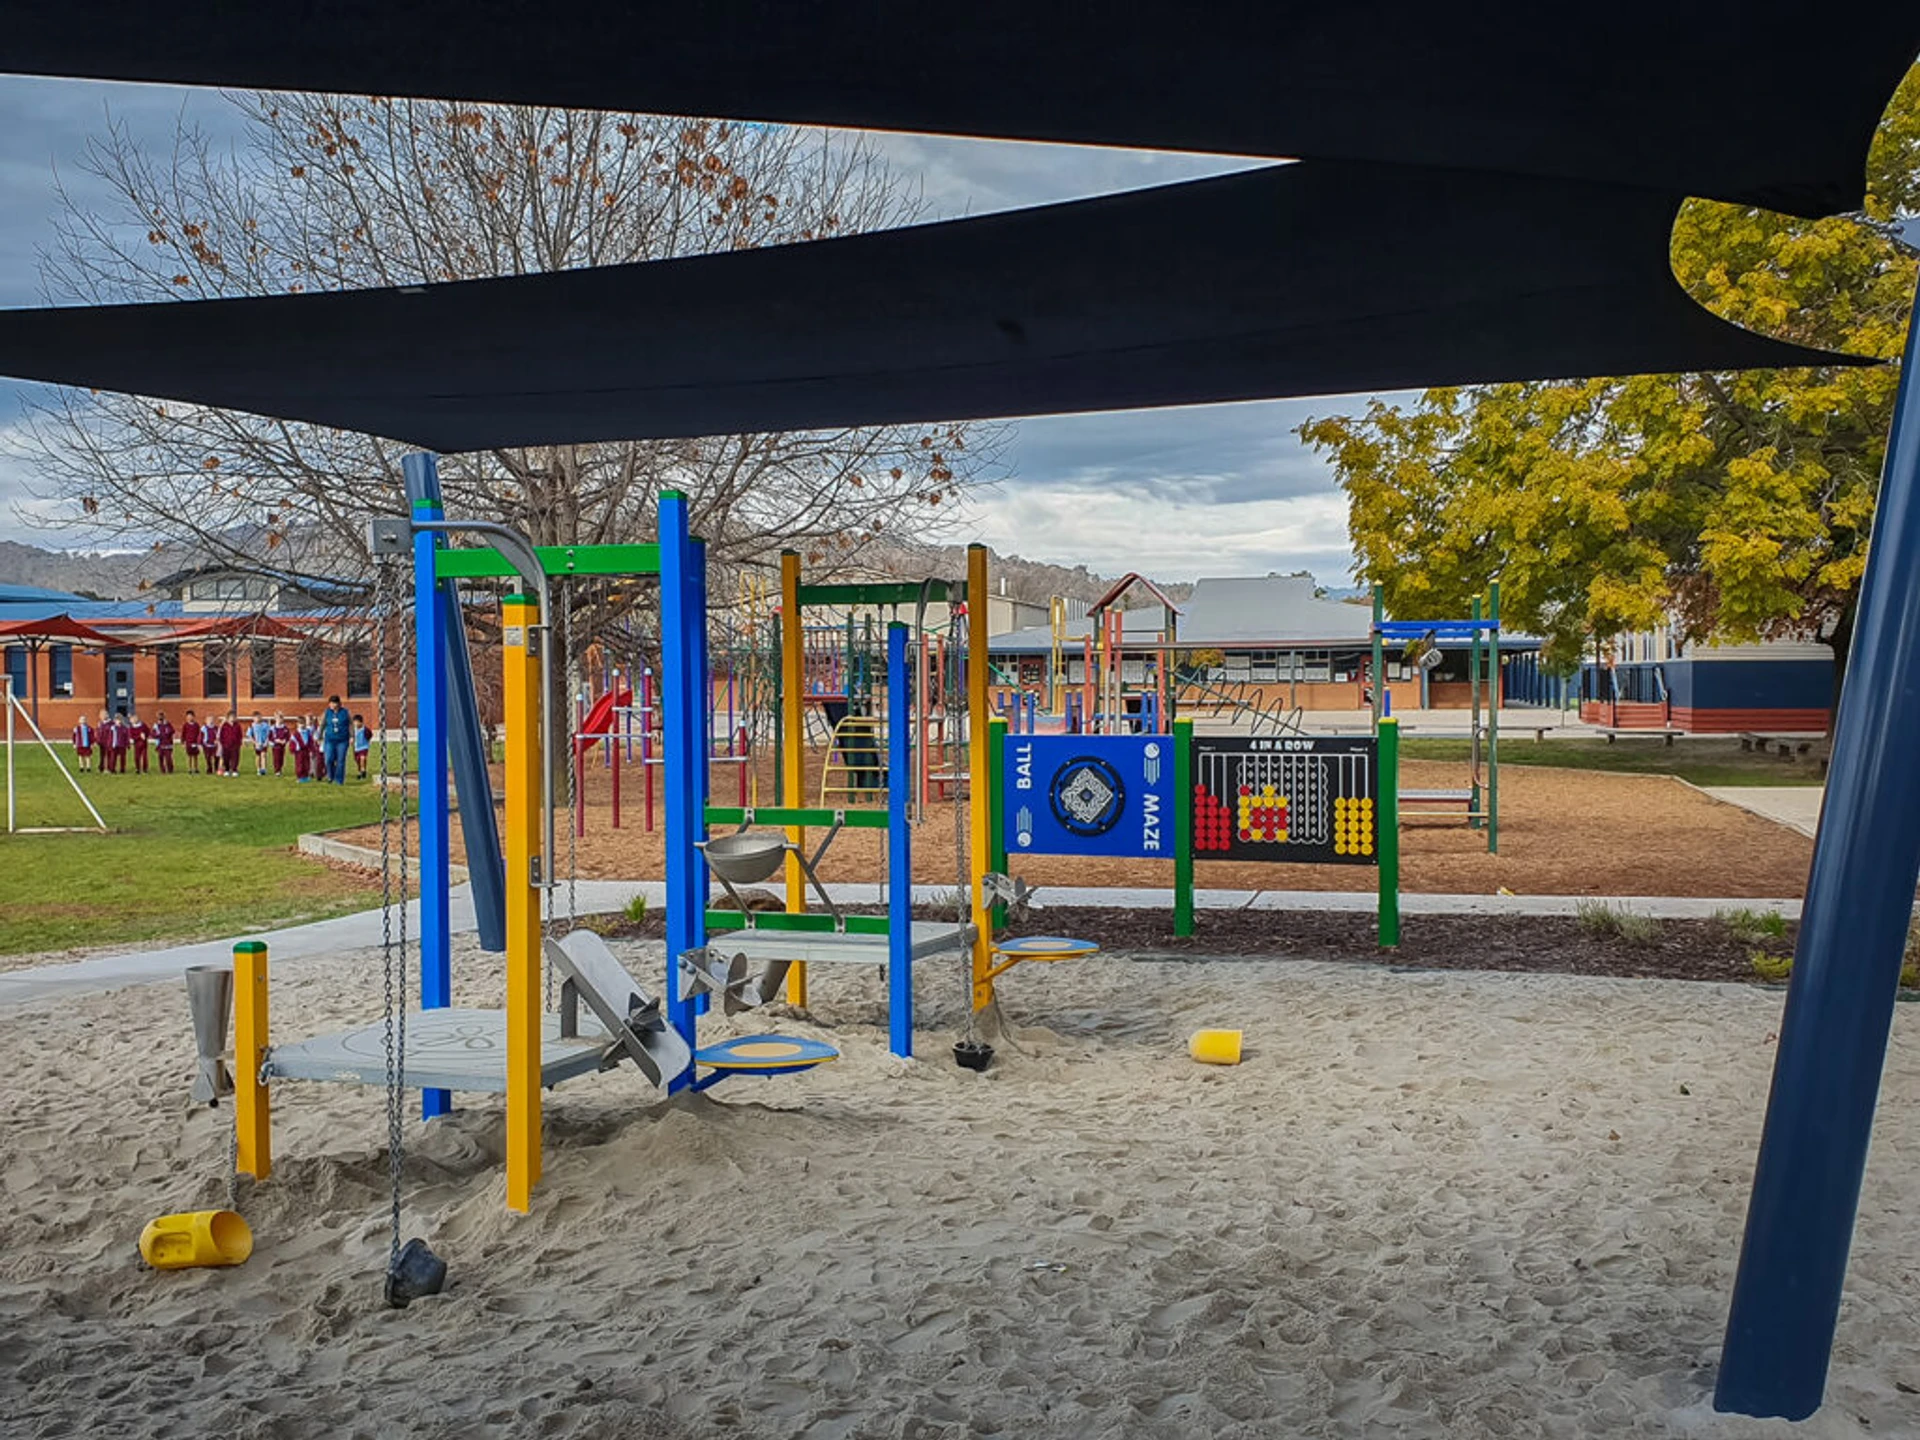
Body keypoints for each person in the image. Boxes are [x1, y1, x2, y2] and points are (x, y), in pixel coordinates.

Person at [319, 695, 352, 786]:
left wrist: (352, 736)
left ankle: (339, 780)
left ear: (339, 703)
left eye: (334, 703)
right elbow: (322, 725)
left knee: (340, 760)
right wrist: (319, 736)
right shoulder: (327, 712)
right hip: (330, 740)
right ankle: (330, 775)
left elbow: (350, 724)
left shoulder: (345, 712)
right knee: (328, 759)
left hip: (342, 740)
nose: (332, 705)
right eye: (331, 703)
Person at [218, 713, 244, 778]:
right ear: (228, 718)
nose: (232, 718)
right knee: (226, 758)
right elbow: (221, 735)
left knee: (235, 758)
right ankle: (227, 770)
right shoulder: (224, 726)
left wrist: (239, 743)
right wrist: (223, 743)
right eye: (231, 717)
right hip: (226, 745)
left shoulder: (237, 726)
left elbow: (240, 735)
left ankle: (234, 770)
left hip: (235, 745)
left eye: (234, 717)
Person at [289, 716, 312, 782]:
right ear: (297, 724)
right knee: (300, 764)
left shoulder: (308, 732)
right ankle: (300, 777)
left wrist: (311, 750)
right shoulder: (295, 734)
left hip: (306, 751)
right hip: (299, 752)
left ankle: (306, 776)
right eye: (300, 723)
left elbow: (311, 741)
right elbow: (292, 743)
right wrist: (293, 749)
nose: (302, 725)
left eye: (303, 723)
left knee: (307, 763)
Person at [249, 712, 271, 776]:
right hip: (257, 744)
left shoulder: (265, 725)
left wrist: (266, 742)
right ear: (253, 718)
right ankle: (258, 769)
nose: (258, 719)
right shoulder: (252, 726)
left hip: (264, 743)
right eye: (256, 718)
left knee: (263, 755)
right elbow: (250, 736)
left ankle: (263, 769)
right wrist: (255, 743)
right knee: (258, 756)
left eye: (259, 717)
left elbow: (269, 734)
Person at [352, 714, 373, 778]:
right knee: (357, 760)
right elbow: (352, 736)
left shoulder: (365, 729)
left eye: (357, 722)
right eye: (354, 722)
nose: (355, 724)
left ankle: (363, 769)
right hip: (356, 747)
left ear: (361, 722)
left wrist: (369, 740)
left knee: (362, 758)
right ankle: (360, 771)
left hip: (364, 747)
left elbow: (370, 735)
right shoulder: (354, 730)